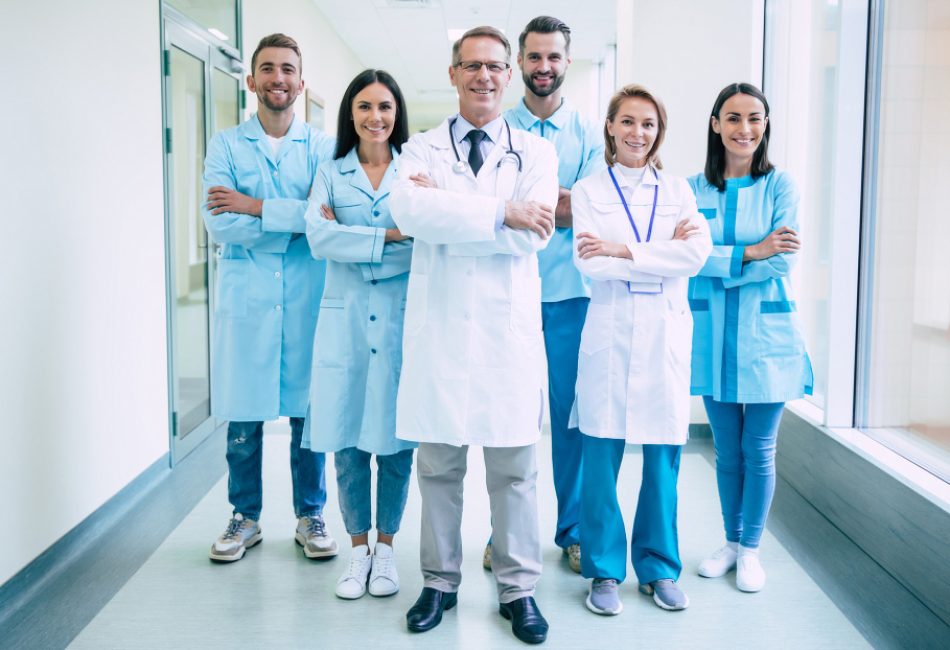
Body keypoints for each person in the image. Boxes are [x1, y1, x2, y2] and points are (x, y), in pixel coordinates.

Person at [389, 26, 558, 646]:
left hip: (505, 336)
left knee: (514, 472)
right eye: (471, 66)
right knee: (437, 468)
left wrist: (455, 208)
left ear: (508, 74)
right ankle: (439, 582)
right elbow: (409, 214)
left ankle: (518, 590)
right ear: (453, 73)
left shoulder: (536, 154)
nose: (483, 76)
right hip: (441, 333)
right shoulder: (420, 150)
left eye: (494, 66)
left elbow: (532, 232)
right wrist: (496, 209)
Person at [571, 84, 711, 615]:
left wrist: (623, 248)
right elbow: (591, 261)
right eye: (627, 122)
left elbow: (695, 254)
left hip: (664, 335)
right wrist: (660, 253)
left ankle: (658, 566)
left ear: (660, 131)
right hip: (610, 332)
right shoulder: (588, 191)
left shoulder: (677, 189)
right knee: (601, 458)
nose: (638, 133)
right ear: (610, 127)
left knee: (662, 461)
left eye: (648, 124)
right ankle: (604, 572)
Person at [202, 33, 337, 563]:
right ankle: (245, 517)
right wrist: (293, 217)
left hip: (306, 299)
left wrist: (253, 206)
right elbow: (219, 224)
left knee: (309, 412)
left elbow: (327, 218)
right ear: (251, 79)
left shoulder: (325, 148)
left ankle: (310, 514)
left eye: (287, 69)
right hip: (250, 301)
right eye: (267, 68)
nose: (278, 78)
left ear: (301, 83)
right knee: (244, 414)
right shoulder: (225, 146)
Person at [479, 15, 605, 575]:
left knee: (570, 422)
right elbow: (484, 205)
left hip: (572, 298)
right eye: (533, 57)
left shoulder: (591, 135)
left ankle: (573, 531)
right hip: (506, 294)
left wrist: (527, 201)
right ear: (518, 65)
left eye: (553, 57)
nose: (543, 67)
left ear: (566, 63)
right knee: (504, 417)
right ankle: (501, 533)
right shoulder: (493, 129)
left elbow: (595, 209)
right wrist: (553, 201)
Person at [688, 82, 813, 593]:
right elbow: (688, 262)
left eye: (755, 118)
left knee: (759, 448)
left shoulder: (781, 185)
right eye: (733, 118)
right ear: (715, 123)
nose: (745, 129)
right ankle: (732, 540)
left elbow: (783, 255)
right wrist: (750, 253)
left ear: (766, 125)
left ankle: (752, 549)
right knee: (727, 450)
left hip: (767, 336)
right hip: (712, 334)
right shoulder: (693, 189)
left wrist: (728, 258)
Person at [303, 69, 415, 600]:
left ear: (398, 114)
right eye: (366, 106)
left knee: (395, 440)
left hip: (399, 317)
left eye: (386, 107)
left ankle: (387, 548)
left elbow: (426, 243)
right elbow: (319, 239)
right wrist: (390, 235)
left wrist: (355, 238)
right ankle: (356, 550)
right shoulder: (330, 171)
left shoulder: (414, 171)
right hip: (343, 319)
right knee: (347, 439)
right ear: (350, 112)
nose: (376, 117)